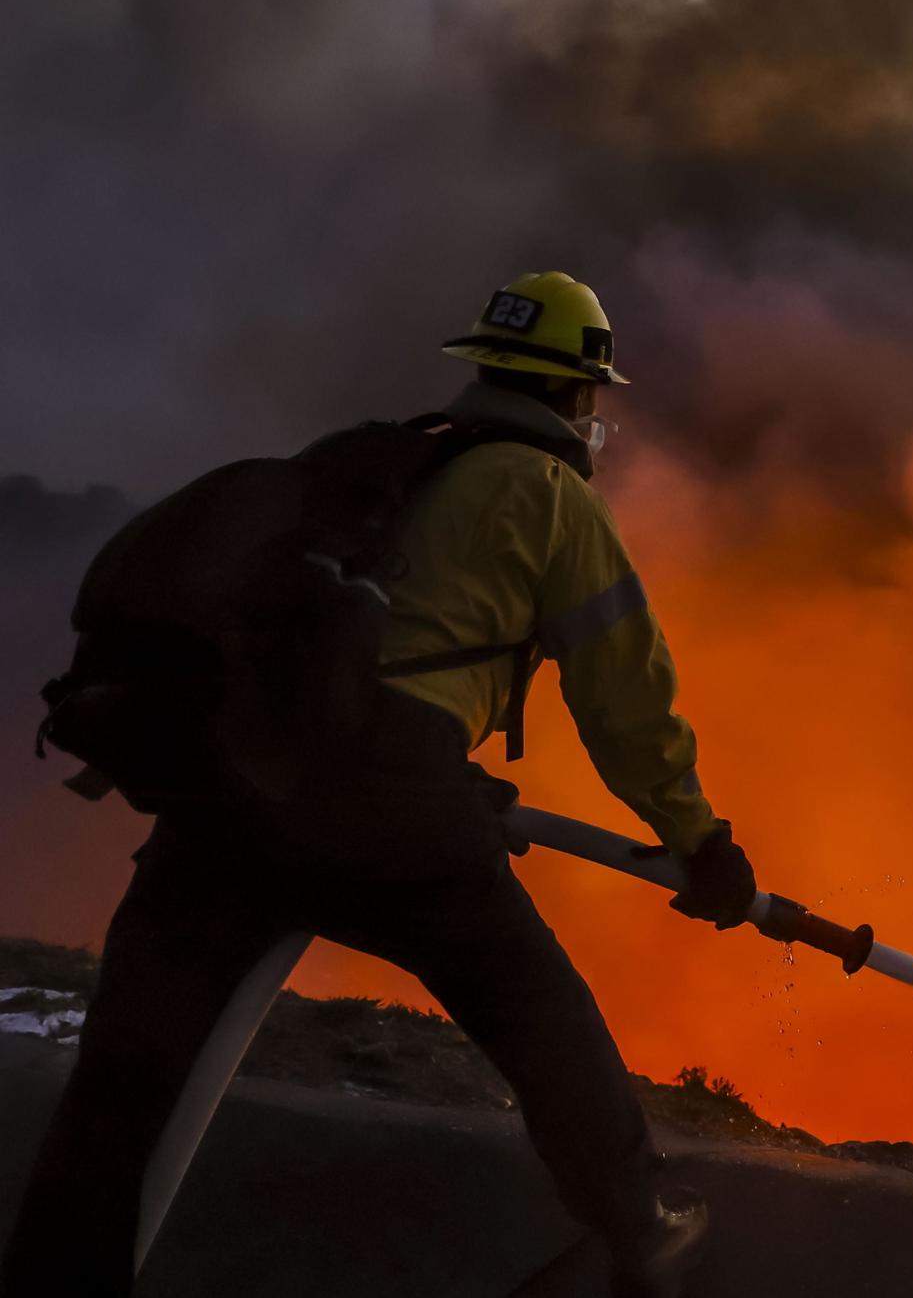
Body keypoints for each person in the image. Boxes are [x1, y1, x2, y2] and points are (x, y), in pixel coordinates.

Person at [1, 272, 754, 1298]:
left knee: (123, 1089)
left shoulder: (376, 468)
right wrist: (700, 841)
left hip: (227, 793)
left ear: (485, 369)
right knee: (537, 1007)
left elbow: (364, 660)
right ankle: (641, 1223)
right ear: (578, 396)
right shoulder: (548, 495)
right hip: (383, 805)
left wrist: (455, 781)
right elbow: (626, 699)